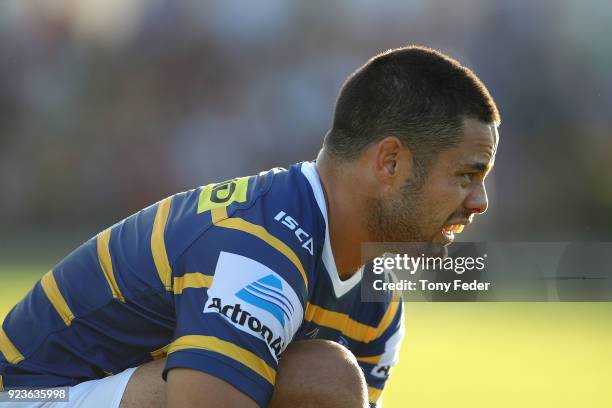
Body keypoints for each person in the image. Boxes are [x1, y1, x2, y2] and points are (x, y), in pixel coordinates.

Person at [0, 45, 500, 408]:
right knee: (321, 375)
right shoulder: (258, 247)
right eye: (466, 175)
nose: (479, 202)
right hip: (31, 395)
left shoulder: (378, 301)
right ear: (390, 162)